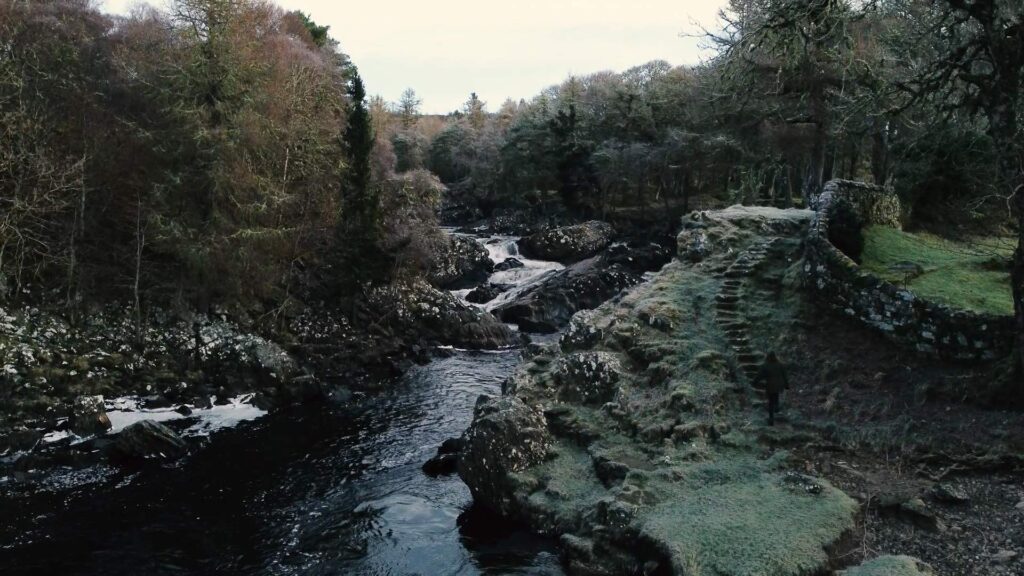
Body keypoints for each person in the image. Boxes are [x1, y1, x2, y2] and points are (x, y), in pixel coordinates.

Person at [753, 351, 789, 426]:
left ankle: (771, 419)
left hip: (770, 385)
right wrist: (786, 385)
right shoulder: (781, 365)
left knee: (771, 402)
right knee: (776, 396)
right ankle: (777, 406)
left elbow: (760, 375)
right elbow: (785, 376)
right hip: (779, 385)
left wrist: (754, 382)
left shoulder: (765, 365)